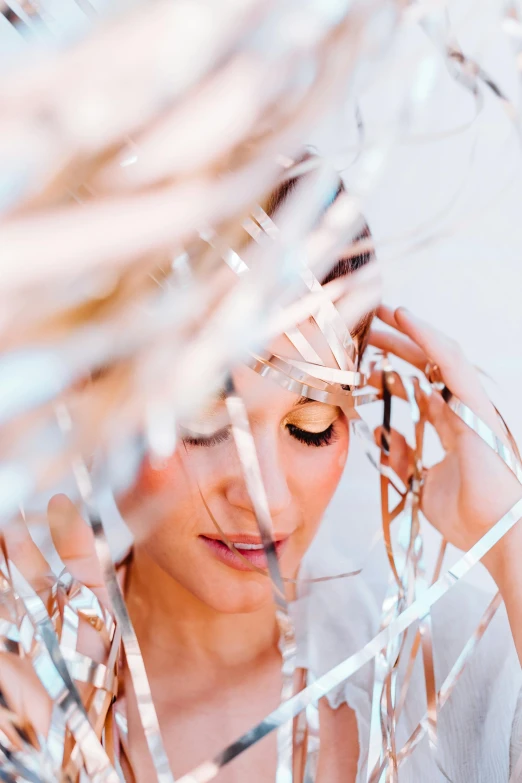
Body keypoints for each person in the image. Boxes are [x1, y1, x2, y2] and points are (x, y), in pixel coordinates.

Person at [2, 160, 522, 783]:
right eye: (201, 421)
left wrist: (510, 537)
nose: (264, 497)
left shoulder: (460, 673)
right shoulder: (25, 692)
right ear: (95, 393)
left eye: (310, 427)